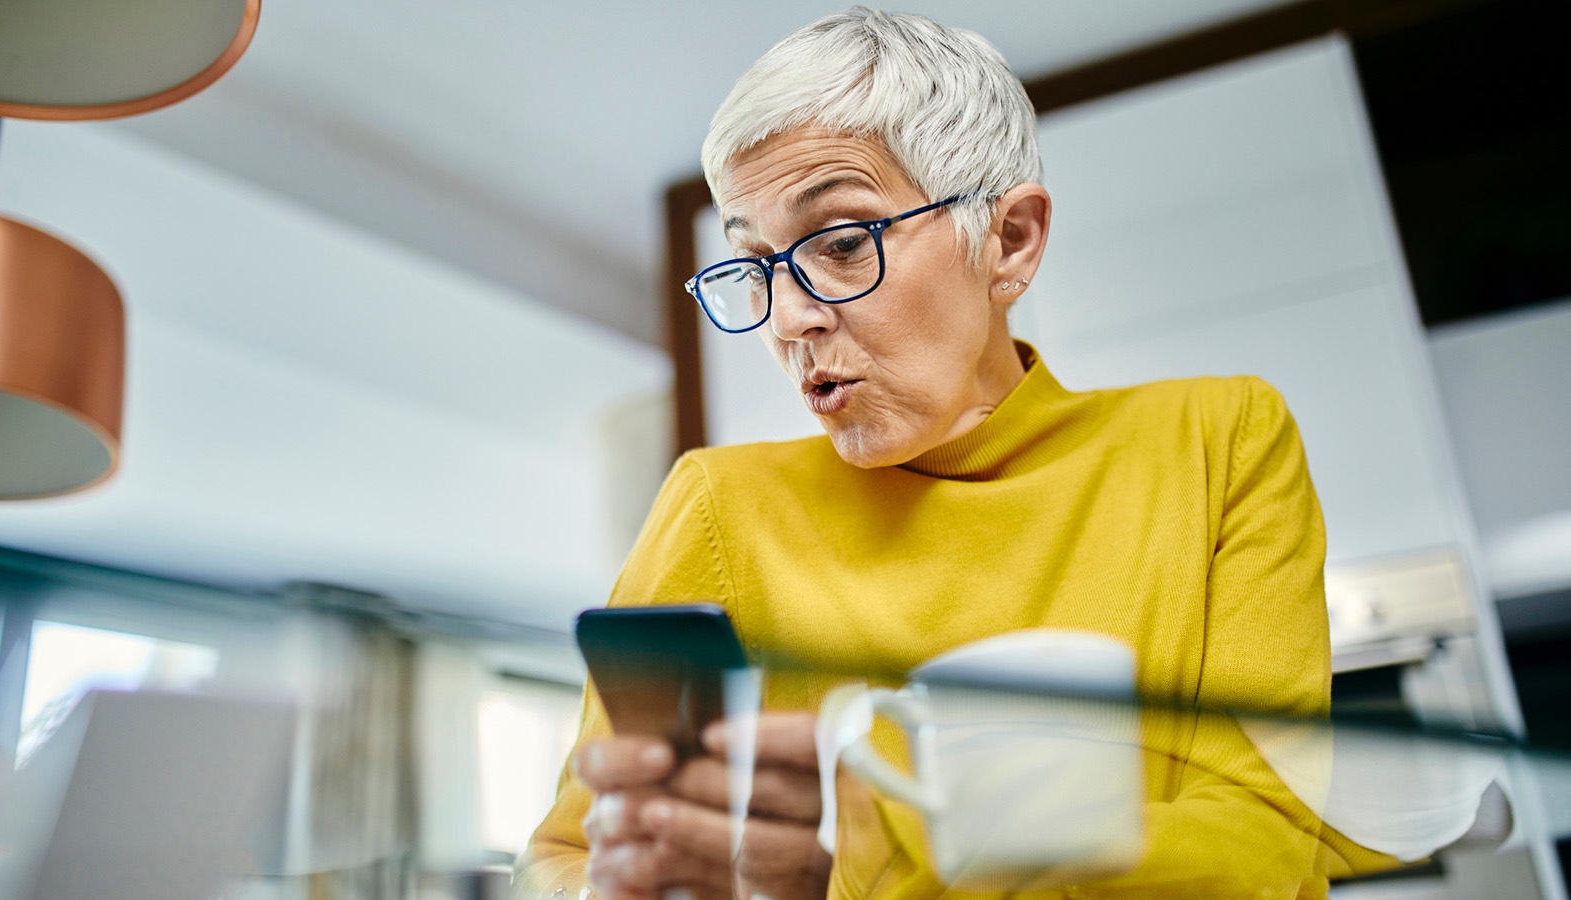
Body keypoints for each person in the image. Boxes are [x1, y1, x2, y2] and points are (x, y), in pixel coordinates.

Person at [516, 9, 1391, 899]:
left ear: (1009, 240)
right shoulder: (719, 505)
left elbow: (1261, 837)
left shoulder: (1219, 438)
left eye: (843, 242)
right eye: (756, 265)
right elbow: (562, 860)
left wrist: (875, 873)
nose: (788, 321)